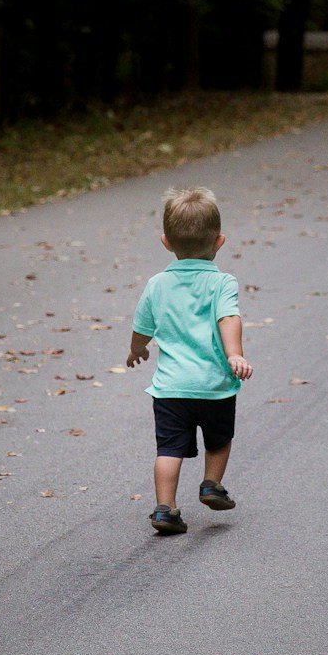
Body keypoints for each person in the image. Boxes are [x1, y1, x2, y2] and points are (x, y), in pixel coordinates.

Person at [125, 185, 253, 534]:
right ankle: (211, 484)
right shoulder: (222, 282)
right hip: (214, 386)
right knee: (219, 439)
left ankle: (165, 508)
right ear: (219, 242)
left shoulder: (157, 284)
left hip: (170, 389)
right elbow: (229, 318)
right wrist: (235, 354)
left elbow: (142, 327)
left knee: (169, 449)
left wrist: (137, 350)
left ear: (166, 242)